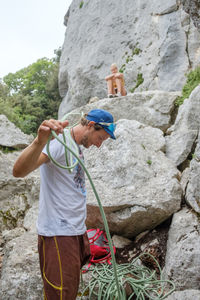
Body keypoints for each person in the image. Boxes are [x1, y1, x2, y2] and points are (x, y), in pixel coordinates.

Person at [12, 109, 116, 300]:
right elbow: (19, 171)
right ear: (91, 126)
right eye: (100, 138)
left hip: (74, 231)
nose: (99, 145)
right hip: (59, 234)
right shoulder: (58, 142)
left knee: (68, 290)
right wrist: (39, 141)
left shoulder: (75, 146)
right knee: (61, 294)